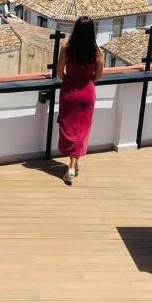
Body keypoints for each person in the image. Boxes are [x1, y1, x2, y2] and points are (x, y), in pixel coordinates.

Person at [56, 16, 103, 184]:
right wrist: (86, 81)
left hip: (69, 91)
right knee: (82, 129)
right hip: (87, 92)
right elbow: (98, 75)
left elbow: (59, 72)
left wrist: (70, 80)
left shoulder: (66, 49)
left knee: (68, 128)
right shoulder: (96, 52)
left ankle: (72, 164)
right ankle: (73, 164)